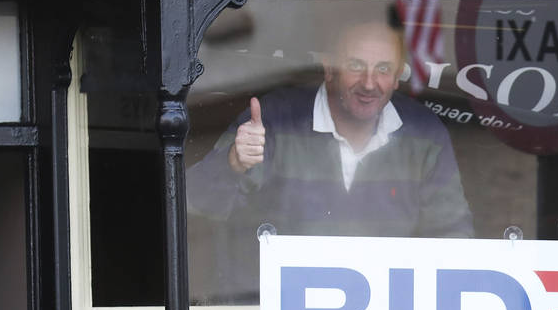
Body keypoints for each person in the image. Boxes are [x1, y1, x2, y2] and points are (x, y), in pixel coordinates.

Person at [187, 18, 473, 239]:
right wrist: (232, 163)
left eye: (384, 69)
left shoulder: (424, 134)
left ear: (398, 77)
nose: (370, 83)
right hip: (280, 302)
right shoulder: (275, 120)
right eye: (356, 66)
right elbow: (194, 204)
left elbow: (453, 235)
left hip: (387, 305)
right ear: (329, 68)